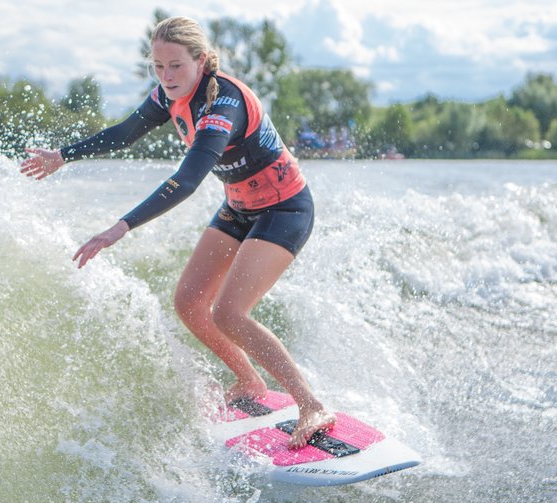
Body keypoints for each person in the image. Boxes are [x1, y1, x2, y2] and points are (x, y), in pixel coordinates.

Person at [19, 16, 335, 449]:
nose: (166, 76)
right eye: (158, 66)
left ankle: (311, 404)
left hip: (284, 209)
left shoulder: (223, 106)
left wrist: (120, 227)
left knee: (229, 313)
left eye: (175, 66)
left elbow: (186, 182)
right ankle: (249, 380)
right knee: (189, 302)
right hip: (239, 209)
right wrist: (63, 155)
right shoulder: (169, 94)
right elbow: (124, 133)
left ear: (201, 61)